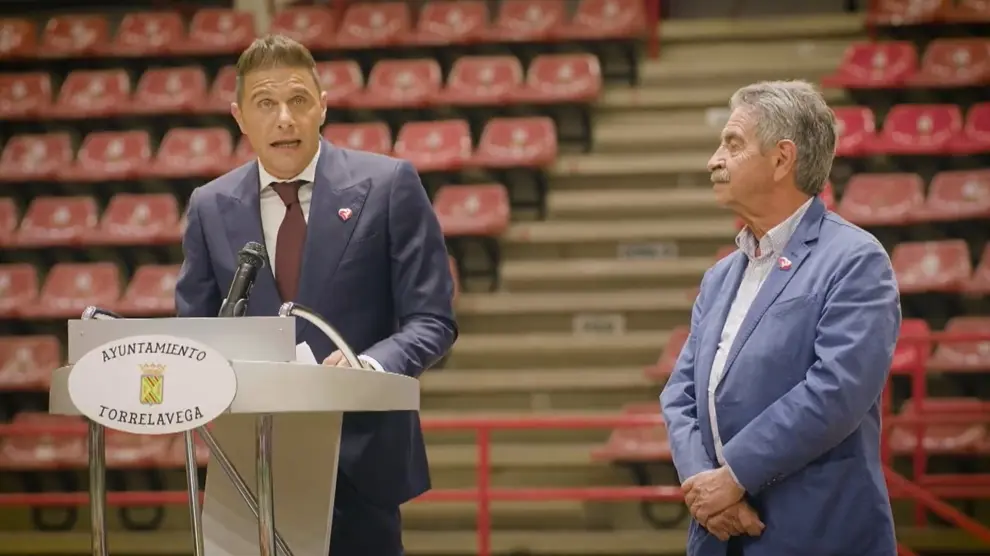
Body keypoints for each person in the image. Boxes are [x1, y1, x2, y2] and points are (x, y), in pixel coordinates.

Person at [174, 35, 458, 555]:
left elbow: (432, 319)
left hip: (360, 460)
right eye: (265, 103)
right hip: (250, 461)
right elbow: (195, 330)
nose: (284, 118)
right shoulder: (209, 206)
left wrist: (369, 366)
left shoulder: (389, 185)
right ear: (239, 117)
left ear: (322, 107)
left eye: (298, 100)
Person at [659, 80, 901, 556]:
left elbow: (837, 390)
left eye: (732, 144)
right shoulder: (719, 277)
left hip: (816, 534)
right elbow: (679, 393)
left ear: (781, 159)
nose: (714, 161)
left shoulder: (855, 259)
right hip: (717, 534)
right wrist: (704, 488)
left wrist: (734, 477)